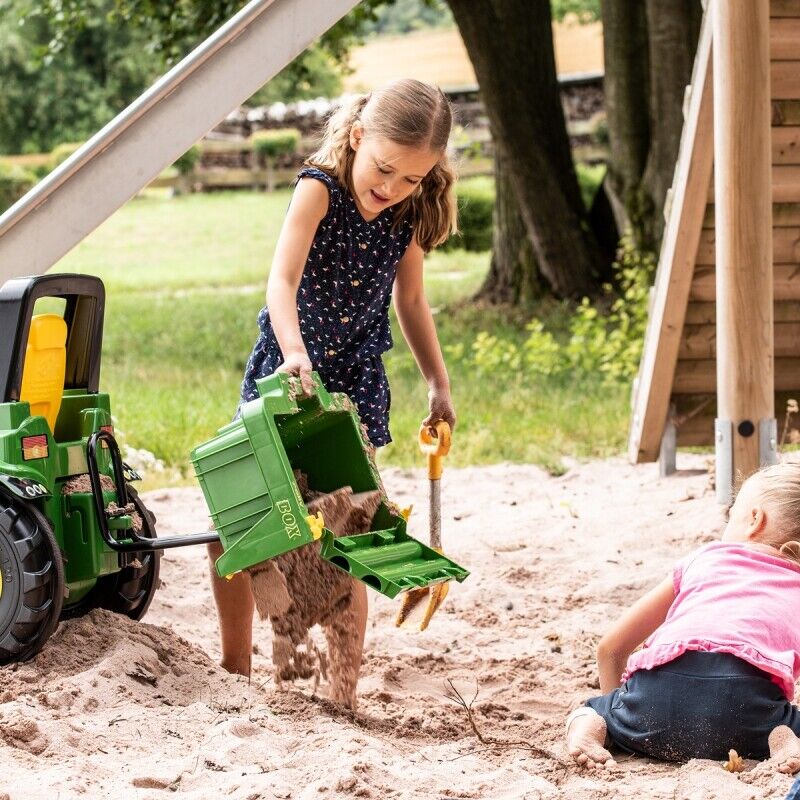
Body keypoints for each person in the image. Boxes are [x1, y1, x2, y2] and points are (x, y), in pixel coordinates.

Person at [206, 79, 458, 687]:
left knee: (348, 531)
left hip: (351, 390)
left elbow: (414, 299)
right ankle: (236, 663)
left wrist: (438, 382)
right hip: (288, 377)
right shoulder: (318, 190)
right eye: (384, 170)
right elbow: (281, 281)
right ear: (356, 137)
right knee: (234, 527)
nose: (392, 188)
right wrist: (294, 355)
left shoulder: (404, 213)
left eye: (411, 180)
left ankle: (342, 686)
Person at [566, 462, 800, 773]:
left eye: (731, 516)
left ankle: (595, 726)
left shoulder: (703, 559)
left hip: (653, 699)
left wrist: (623, 709)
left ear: (755, 520)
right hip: (745, 713)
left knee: (590, 710)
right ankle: (782, 735)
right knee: (784, 719)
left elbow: (611, 647)